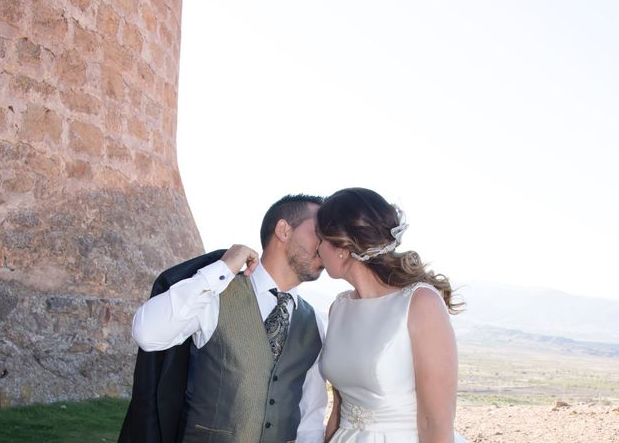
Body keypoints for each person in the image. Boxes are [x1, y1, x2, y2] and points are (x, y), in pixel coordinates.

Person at [118, 194, 328, 443]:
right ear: (283, 230)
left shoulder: (314, 322)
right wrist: (222, 269)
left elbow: (310, 419)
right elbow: (147, 333)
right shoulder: (215, 293)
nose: (327, 245)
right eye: (320, 232)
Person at [316, 188, 466, 443]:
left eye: (320, 239)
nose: (317, 249)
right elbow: (340, 408)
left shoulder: (420, 303)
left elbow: (435, 423)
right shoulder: (339, 308)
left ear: (341, 247)